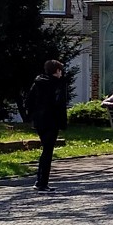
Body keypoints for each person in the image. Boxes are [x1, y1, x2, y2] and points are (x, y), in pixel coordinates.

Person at [24, 59, 69, 190]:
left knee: (46, 149)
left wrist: (33, 116)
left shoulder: (37, 83)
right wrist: (63, 123)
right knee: (48, 151)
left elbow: (29, 101)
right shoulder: (57, 85)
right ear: (57, 71)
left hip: (40, 121)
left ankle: (41, 180)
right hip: (52, 121)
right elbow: (59, 105)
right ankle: (41, 182)